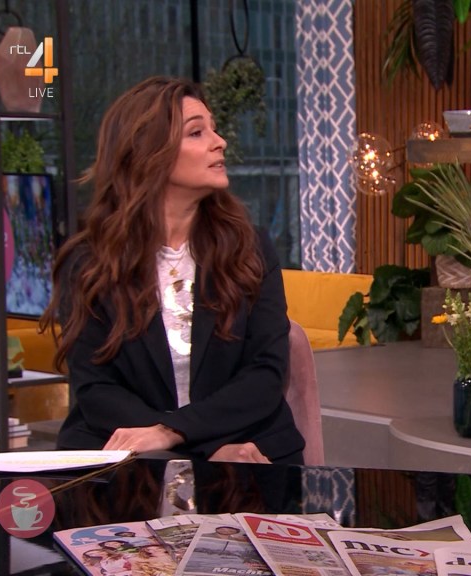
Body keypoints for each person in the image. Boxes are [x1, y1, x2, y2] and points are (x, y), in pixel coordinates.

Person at [41, 76, 304, 464]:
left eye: (214, 129)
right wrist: (204, 451)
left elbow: (265, 376)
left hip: (246, 449)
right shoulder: (88, 263)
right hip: (130, 460)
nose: (220, 141)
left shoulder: (249, 248)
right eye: (197, 132)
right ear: (149, 153)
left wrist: (172, 433)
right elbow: (96, 389)